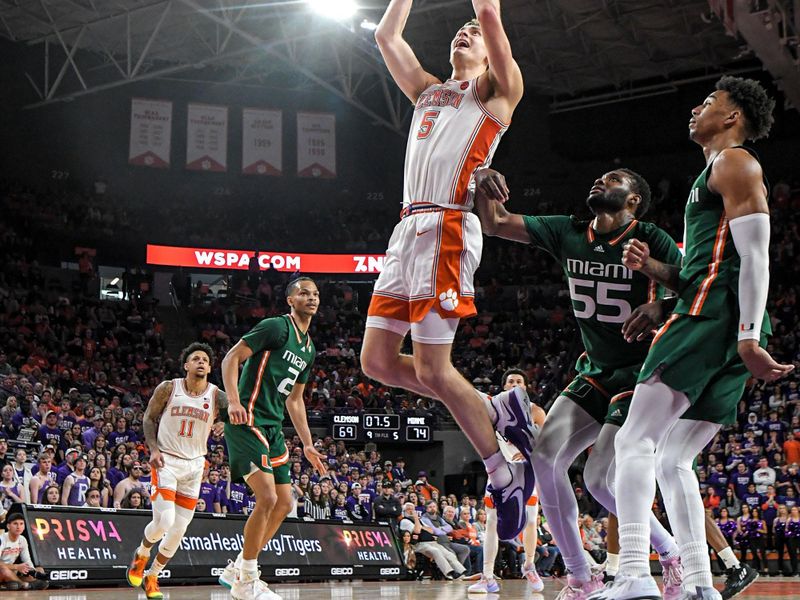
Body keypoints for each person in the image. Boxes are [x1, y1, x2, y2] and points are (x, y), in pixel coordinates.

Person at [598, 76, 793, 600]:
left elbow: (756, 256)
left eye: (709, 102)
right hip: (718, 320)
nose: (696, 108)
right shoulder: (714, 171)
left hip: (711, 320)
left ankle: (634, 572)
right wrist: (660, 284)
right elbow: (710, 264)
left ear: (732, 118)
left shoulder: (735, 162)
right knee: (674, 458)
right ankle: (701, 585)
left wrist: (750, 335)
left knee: (632, 440)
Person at [360, 0, 534, 542]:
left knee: (436, 371)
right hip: (406, 229)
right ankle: (493, 406)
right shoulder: (430, 90)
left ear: (488, 50)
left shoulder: (497, 93)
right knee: (377, 362)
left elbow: (489, 17)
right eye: (458, 31)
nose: (465, 34)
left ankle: (502, 473)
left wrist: (485, 15)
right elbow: (387, 37)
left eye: (473, 33)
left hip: (449, 228)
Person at [475, 166, 684, 600]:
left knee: (597, 478)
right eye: (599, 177)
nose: (599, 181)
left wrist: (661, 309)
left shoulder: (652, 238)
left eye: (614, 179)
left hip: (643, 373)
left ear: (633, 201)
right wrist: (483, 180)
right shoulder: (569, 231)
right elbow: (494, 222)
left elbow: (692, 287)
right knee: (543, 457)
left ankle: (670, 554)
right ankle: (580, 576)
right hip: (597, 369)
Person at [216, 278, 328, 600]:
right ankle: (247, 579)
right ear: (290, 299)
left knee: (285, 502)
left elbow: (295, 400)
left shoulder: (309, 348)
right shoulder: (277, 327)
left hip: (274, 428)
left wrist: (307, 443)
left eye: (316, 294)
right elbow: (231, 358)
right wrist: (234, 401)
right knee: (265, 498)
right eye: (304, 293)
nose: (311, 298)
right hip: (246, 419)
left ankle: (238, 567)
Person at [126, 342, 228, 600]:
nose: (201, 362)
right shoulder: (169, 388)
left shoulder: (217, 395)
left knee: (179, 530)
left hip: (195, 466)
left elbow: (236, 414)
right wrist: (153, 449)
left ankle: (153, 575)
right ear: (186, 365)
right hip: (167, 461)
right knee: (165, 521)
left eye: (205, 359)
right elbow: (149, 418)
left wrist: (225, 424)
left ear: (210, 366)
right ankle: (141, 554)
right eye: (196, 358)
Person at [469, 368, 547, 593]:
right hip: (500, 472)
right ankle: (487, 576)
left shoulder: (535, 411)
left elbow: (548, 442)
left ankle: (529, 565)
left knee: (531, 520)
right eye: (510, 381)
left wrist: (530, 450)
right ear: (504, 387)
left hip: (527, 471)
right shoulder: (493, 410)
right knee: (491, 523)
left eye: (519, 381)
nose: (514, 384)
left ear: (525, 387)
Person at [399, 502, 465, 579]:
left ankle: (462, 572)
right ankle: (449, 573)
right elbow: (417, 531)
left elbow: (431, 530)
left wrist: (421, 526)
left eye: (412, 509)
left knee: (448, 554)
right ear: (404, 511)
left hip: (431, 542)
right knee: (435, 551)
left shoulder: (420, 520)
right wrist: (417, 520)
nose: (411, 511)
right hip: (418, 544)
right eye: (408, 509)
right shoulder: (405, 521)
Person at [0, 513, 48, 590]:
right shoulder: (1, 539)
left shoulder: (22, 539)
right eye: (15, 524)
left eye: (21, 524)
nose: (18, 527)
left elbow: (27, 560)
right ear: (8, 526)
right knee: (3, 569)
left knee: (40, 570)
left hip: (11, 571)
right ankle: (24, 585)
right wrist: (16, 567)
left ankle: (14, 583)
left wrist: (31, 571)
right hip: (3, 570)